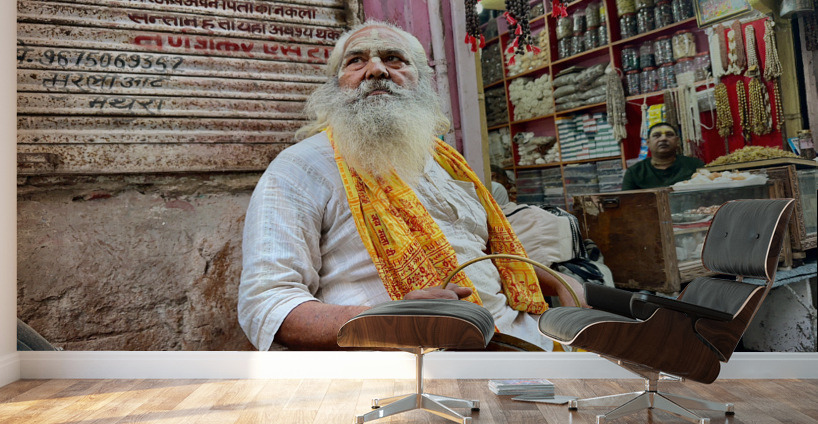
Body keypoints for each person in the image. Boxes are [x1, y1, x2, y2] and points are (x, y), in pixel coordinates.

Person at [238, 21, 586, 352]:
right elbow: (266, 305)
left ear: (421, 82)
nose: (375, 70)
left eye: (393, 59)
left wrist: (557, 282)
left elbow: (476, 252)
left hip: (527, 343)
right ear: (335, 85)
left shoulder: (446, 163)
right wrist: (392, 320)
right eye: (356, 61)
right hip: (410, 364)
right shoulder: (301, 167)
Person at [621, 122, 705, 190]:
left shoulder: (695, 166)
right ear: (648, 143)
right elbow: (626, 203)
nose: (663, 139)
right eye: (656, 135)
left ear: (677, 141)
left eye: (669, 135)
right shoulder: (635, 172)